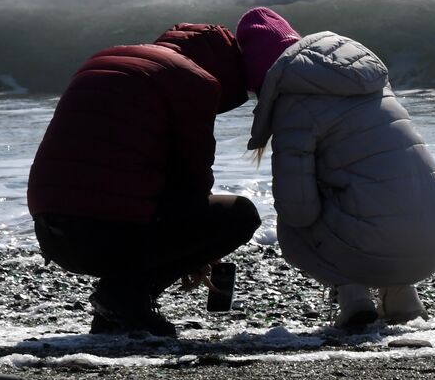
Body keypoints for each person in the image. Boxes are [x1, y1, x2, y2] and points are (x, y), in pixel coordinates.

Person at [26, 23, 261, 337]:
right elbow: (192, 182)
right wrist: (199, 251)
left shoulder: (104, 60)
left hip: (51, 233)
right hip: (104, 236)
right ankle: (125, 297)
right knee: (239, 216)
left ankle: (116, 310)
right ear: (226, 67)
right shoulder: (194, 81)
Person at [235, 7, 435, 328]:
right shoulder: (369, 80)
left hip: (376, 242)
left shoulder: (293, 104)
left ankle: (354, 299)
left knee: (295, 220)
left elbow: (297, 209)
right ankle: (401, 296)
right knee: (382, 187)